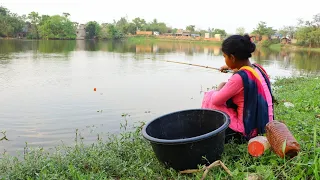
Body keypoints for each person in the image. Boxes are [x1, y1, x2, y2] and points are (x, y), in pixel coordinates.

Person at [201, 34, 274, 144]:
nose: (225, 60)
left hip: (249, 130)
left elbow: (216, 101)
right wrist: (231, 67)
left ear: (232, 57)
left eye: (225, 57)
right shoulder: (258, 68)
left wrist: (220, 86)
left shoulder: (239, 78)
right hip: (266, 123)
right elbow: (245, 72)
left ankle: (210, 130)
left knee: (210, 97)